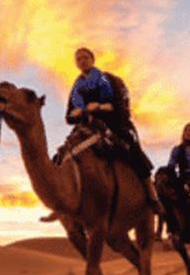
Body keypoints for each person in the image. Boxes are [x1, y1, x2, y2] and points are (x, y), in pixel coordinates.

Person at [66, 47, 163, 212]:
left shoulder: (107, 79)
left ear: (92, 59)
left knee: (132, 149)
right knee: (64, 154)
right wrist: (82, 113)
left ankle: (152, 196)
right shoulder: (77, 87)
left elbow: (118, 105)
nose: (82, 61)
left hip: (113, 124)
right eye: (78, 59)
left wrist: (99, 107)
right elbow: (69, 116)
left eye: (85, 57)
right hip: (85, 127)